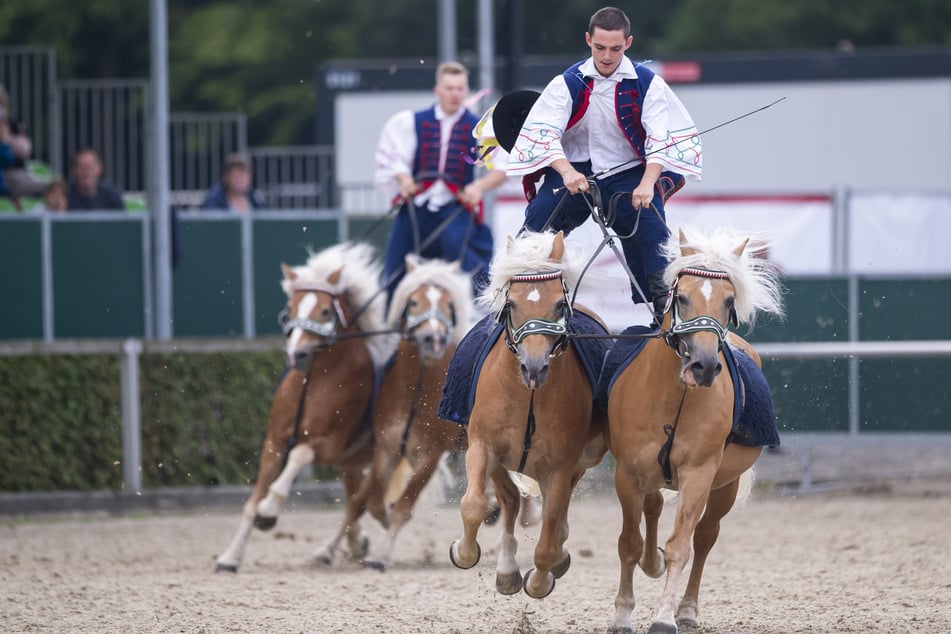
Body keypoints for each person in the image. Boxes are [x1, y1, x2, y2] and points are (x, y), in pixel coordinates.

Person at [502, 6, 702, 325]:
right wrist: (566, 172)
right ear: (588, 40)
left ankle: (664, 312)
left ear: (629, 43)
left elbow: (660, 138)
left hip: (629, 172)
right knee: (539, 219)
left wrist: (648, 183)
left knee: (652, 226)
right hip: (575, 169)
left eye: (615, 49)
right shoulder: (567, 82)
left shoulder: (648, 83)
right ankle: (512, 300)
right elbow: (545, 133)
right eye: (599, 47)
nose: (607, 56)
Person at [374, 61, 508, 305]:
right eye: (449, 88)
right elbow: (392, 157)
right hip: (417, 207)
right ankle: (390, 324)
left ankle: (478, 319)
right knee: (396, 263)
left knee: (467, 261)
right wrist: (404, 179)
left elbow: (502, 167)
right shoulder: (412, 122)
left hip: (454, 209)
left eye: (460, 88)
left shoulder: (477, 128)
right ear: (438, 90)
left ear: (466, 90)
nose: (455, 94)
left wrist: (478, 187)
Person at [0, 83, 48, 202]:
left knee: (55, 187)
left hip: (17, 174)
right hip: (7, 179)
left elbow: (24, 151)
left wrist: (6, 137)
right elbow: (7, 157)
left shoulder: (14, 126)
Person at [199, 152, 266, 212]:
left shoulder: (257, 199)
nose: (241, 179)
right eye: (236, 175)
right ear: (225, 177)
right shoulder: (214, 201)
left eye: (244, 174)